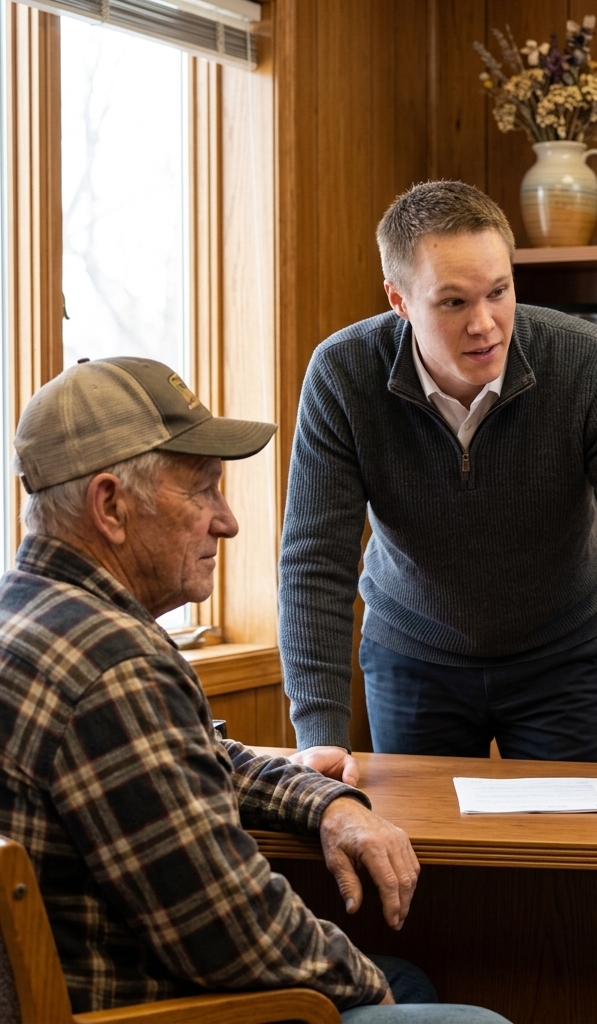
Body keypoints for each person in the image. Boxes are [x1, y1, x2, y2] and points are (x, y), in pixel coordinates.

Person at [0, 357, 508, 1023]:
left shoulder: (31, 613)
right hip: (146, 1007)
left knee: (408, 979)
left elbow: (198, 756)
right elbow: (227, 933)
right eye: (201, 491)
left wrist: (327, 804)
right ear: (110, 506)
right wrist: (362, 983)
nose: (227, 521)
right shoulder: (112, 664)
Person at [279, 180, 597, 794]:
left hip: (558, 659)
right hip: (413, 655)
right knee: (424, 860)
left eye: (499, 291)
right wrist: (319, 731)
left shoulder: (590, 365)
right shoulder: (342, 373)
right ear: (399, 300)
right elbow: (314, 562)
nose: (485, 325)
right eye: (453, 303)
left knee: (573, 864)